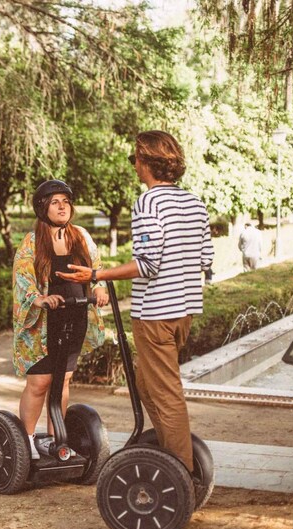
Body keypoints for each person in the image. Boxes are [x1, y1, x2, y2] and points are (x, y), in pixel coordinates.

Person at [57, 131, 214, 473]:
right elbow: (205, 258)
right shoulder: (195, 203)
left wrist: (95, 276)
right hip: (184, 311)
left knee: (165, 394)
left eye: (135, 159)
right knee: (145, 383)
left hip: (156, 314)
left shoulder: (149, 203)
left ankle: (180, 474)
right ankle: (170, 450)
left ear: (146, 162)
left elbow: (147, 264)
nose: (134, 166)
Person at [13, 180, 108, 460]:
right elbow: (23, 277)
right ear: (43, 208)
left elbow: (97, 267)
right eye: (55, 202)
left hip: (75, 314)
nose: (62, 206)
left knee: (63, 381)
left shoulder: (80, 235)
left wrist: (99, 286)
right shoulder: (32, 241)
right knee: (40, 382)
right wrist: (39, 298)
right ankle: (27, 442)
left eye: (65, 201)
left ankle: (57, 439)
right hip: (44, 323)